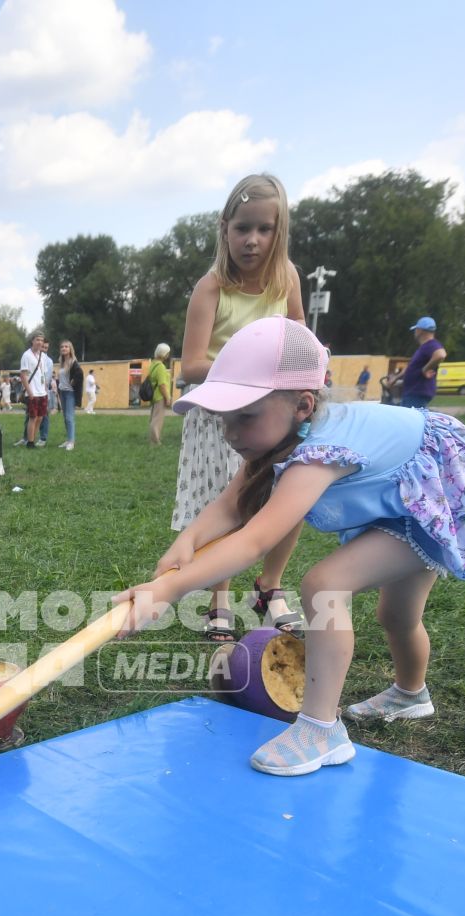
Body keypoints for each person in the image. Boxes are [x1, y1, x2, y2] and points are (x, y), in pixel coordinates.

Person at [114, 316, 465, 776]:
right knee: (397, 616)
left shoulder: (317, 452)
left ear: (303, 406)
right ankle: (411, 694)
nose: (232, 434)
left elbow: (255, 540)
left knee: (324, 586)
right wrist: (189, 540)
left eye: (245, 417)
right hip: (406, 498)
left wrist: (168, 591)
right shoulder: (280, 437)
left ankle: (321, 729)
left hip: (435, 496)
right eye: (225, 420)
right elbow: (231, 506)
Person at [174, 171, 307, 642]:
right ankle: (220, 597)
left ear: (280, 231)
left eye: (264, 229)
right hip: (222, 418)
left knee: (287, 498)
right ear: (223, 228)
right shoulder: (211, 288)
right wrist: (242, 376)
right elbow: (190, 364)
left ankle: (269, 585)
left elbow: (299, 341)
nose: (252, 240)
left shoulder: (286, 279)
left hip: (276, 418)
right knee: (225, 505)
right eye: (242, 228)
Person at [400, 318, 446, 409]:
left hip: (417, 391)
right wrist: (396, 378)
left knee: (411, 421)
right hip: (413, 392)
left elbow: (441, 354)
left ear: (420, 331)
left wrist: (425, 369)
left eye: (416, 330)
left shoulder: (431, 344)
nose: (415, 332)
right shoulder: (425, 347)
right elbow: (412, 367)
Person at [19, 331, 52, 447]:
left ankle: (32, 437)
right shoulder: (26, 355)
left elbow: (43, 374)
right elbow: (23, 375)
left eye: (41, 340)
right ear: (32, 341)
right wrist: (29, 392)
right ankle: (30, 442)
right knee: (33, 417)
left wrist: (45, 390)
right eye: (37, 340)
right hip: (32, 392)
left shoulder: (42, 356)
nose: (40, 342)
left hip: (42, 392)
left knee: (40, 417)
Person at [53, 339, 83, 450]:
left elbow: (80, 373)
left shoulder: (73, 362)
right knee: (65, 417)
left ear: (70, 349)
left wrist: (73, 381)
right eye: (62, 347)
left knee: (70, 418)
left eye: (66, 347)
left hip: (70, 393)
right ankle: (68, 439)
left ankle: (71, 442)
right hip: (62, 392)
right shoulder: (61, 362)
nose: (64, 348)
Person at [145, 342, 174, 445]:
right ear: (164, 354)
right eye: (167, 353)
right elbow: (162, 385)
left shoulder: (152, 365)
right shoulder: (161, 366)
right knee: (157, 419)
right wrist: (168, 397)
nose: (168, 355)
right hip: (160, 396)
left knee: (153, 418)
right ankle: (156, 441)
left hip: (154, 396)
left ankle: (153, 439)